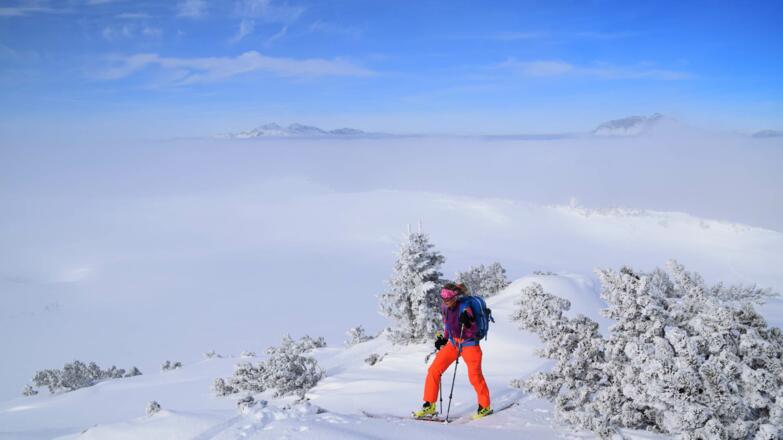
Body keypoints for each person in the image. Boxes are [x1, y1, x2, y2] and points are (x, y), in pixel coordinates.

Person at [413, 282, 492, 420]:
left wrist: (467, 322)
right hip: (453, 344)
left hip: (470, 345)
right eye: (444, 299)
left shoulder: (465, 307)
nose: (446, 301)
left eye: (448, 299)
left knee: (475, 376)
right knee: (434, 370)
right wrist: (444, 339)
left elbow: (473, 329)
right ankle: (429, 405)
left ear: (455, 297)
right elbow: (448, 325)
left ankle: (485, 407)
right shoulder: (445, 308)